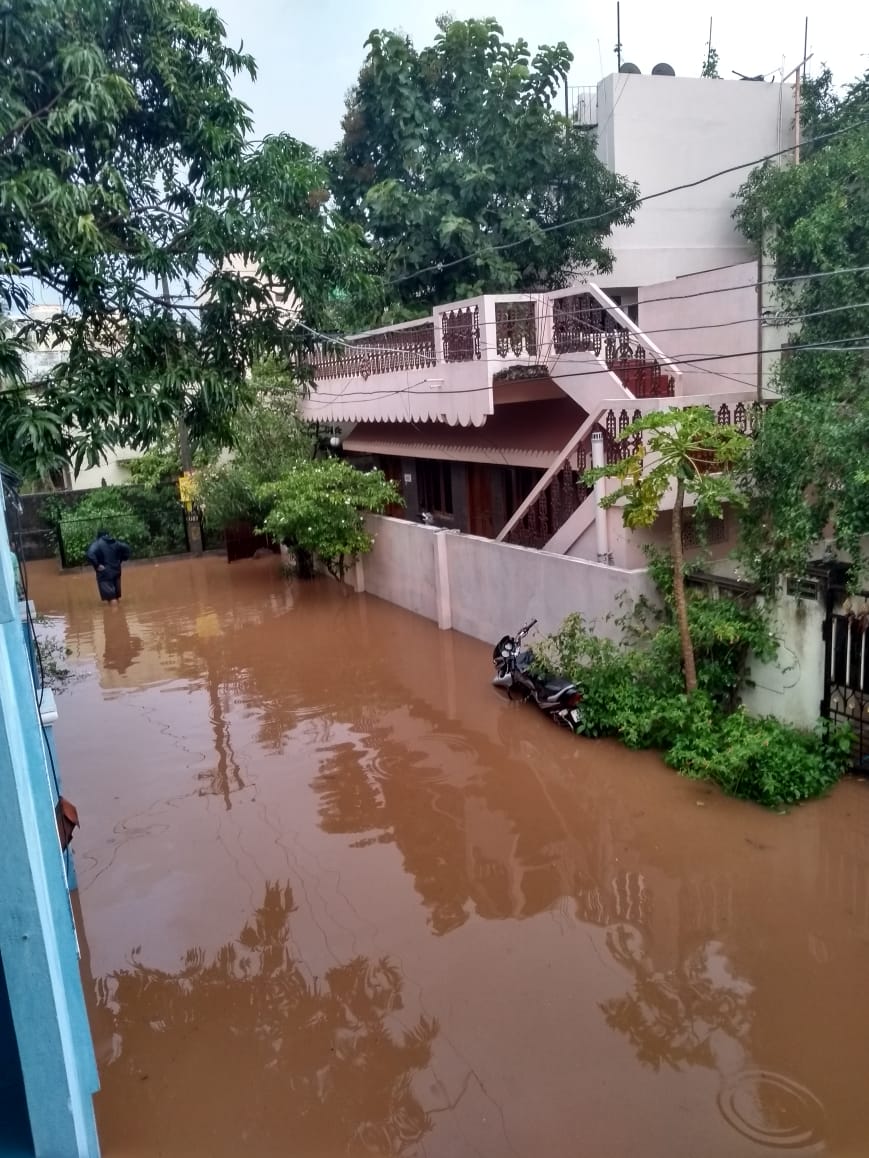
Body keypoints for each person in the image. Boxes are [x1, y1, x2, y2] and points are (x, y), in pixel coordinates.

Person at [86, 528, 131, 604]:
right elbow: (127, 548)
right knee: (115, 596)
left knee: (111, 598)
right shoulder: (115, 542)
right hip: (116, 571)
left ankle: (114, 614)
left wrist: (97, 565)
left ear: (98, 536)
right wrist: (123, 559)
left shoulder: (97, 544)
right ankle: (119, 614)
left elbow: (90, 554)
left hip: (105, 573)